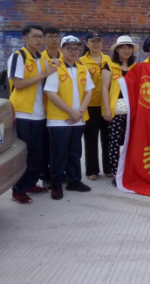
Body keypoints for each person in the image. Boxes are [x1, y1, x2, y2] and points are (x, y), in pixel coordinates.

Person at [8, 25, 58, 204]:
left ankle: (30, 183)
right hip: (23, 113)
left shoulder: (41, 58)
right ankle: (18, 190)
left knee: (37, 153)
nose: (39, 40)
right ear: (24, 38)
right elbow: (19, 84)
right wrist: (43, 74)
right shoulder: (18, 56)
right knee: (24, 153)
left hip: (39, 113)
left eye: (41, 37)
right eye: (35, 36)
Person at [44, 36, 94, 200]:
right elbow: (51, 94)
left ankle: (74, 180)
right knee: (59, 153)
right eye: (69, 49)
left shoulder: (83, 69)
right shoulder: (55, 68)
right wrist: (71, 112)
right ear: (61, 50)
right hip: (59, 120)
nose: (73, 52)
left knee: (75, 152)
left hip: (78, 119)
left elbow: (89, 92)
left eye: (76, 49)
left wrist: (79, 112)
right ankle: (56, 184)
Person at [102, 36, 140, 186]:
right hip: (116, 110)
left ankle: (129, 172)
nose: (126, 50)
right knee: (114, 143)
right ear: (117, 49)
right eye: (123, 47)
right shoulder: (109, 66)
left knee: (131, 142)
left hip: (132, 111)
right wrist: (106, 109)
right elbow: (104, 88)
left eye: (129, 47)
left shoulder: (135, 67)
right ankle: (116, 172)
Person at [79, 31, 112, 181]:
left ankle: (108, 168)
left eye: (98, 41)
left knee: (108, 139)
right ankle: (92, 170)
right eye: (92, 41)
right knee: (91, 139)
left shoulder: (108, 59)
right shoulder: (81, 61)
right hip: (90, 105)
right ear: (87, 44)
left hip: (106, 104)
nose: (96, 44)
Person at [40, 26, 63, 187]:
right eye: (51, 36)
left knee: (59, 145)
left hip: (61, 108)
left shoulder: (66, 57)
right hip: (42, 108)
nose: (54, 39)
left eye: (56, 36)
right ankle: (45, 176)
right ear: (44, 39)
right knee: (44, 145)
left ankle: (60, 173)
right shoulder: (40, 58)